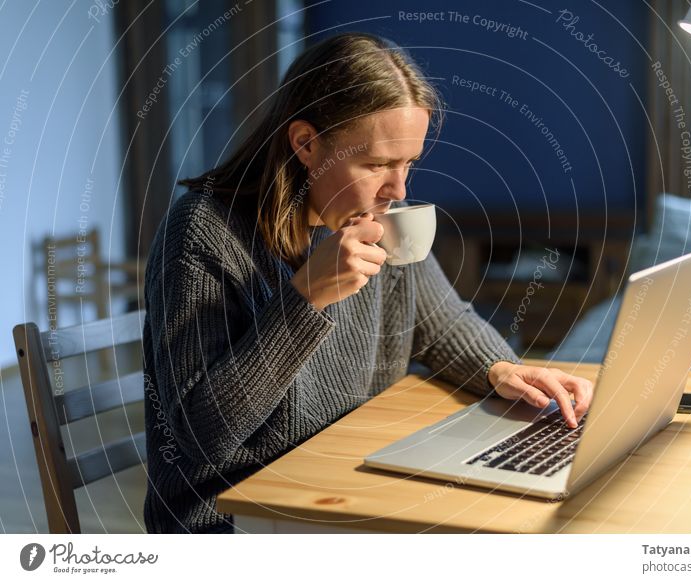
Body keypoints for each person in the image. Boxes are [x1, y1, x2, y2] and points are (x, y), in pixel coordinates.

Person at [142, 32, 594, 534]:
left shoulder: (384, 216)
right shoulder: (203, 233)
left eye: (408, 164)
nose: (398, 189)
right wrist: (304, 297)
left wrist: (502, 368)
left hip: (342, 481)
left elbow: (443, 325)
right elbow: (199, 436)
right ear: (306, 144)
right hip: (231, 515)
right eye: (377, 164)